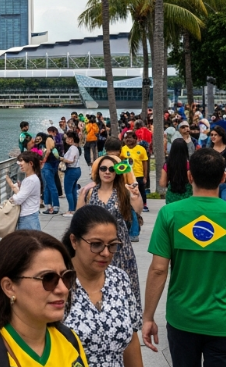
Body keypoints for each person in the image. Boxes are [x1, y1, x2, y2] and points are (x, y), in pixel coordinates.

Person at [143, 148, 226, 367]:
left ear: (190, 177)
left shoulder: (169, 213)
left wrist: (148, 317)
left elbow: (158, 269)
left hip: (182, 319)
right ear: (224, 177)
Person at [0, 231, 88, 367]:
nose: (63, 289)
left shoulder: (69, 340)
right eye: (48, 279)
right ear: (9, 287)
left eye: (66, 277)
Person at [62, 206, 143, 367]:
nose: (106, 253)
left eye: (112, 245)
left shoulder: (119, 279)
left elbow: (131, 341)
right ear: (74, 241)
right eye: (96, 244)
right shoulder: (57, 283)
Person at [79, 156, 143, 308]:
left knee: (122, 295)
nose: (107, 172)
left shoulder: (124, 192)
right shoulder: (88, 192)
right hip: (94, 249)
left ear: (117, 172)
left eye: (112, 169)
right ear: (97, 171)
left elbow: (138, 212)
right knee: (96, 291)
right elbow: (78, 219)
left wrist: (136, 195)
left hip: (120, 250)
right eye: (103, 168)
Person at [5, 151, 43, 231]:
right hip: (30, 216)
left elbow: (18, 199)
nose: (20, 164)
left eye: (22, 161)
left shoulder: (30, 180)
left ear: (30, 163)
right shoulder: (31, 178)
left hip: (28, 217)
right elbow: (23, 196)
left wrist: (11, 198)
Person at [120, 131, 150, 213]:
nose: (127, 140)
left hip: (139, 175)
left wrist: (145, 177)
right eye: (125, 138)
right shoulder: (122, 149)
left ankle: (144, 205)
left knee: (141, 190)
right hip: (127, 175)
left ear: (135, 139)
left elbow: (145, 163)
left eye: (129, 137)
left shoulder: (141, 149)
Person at [160, 139, 193, 204]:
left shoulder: (167, 165)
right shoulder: (190, 165)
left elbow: (162, 183)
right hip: (187, 195)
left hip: (172, 194)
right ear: (185, 149)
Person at [60, 131, 82, 217]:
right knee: (73, 190)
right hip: (76, 170)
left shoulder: (72, 148)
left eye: (68, 138)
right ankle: (74, 209)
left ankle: (71, 210)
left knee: (68, 191)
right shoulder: (75, 147)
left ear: (71, 139)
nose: (66, 140)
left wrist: (61, 159)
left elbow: (70, 160)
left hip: (72, 170)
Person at [39, 132, 61, 215]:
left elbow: (47, 152)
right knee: (48, 187)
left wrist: (43, 160)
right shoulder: (54, 148)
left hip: (47, 167)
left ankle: (55, 206)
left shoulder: (46, 146)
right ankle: (49, 206)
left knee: (50, 187)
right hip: (52, 167)